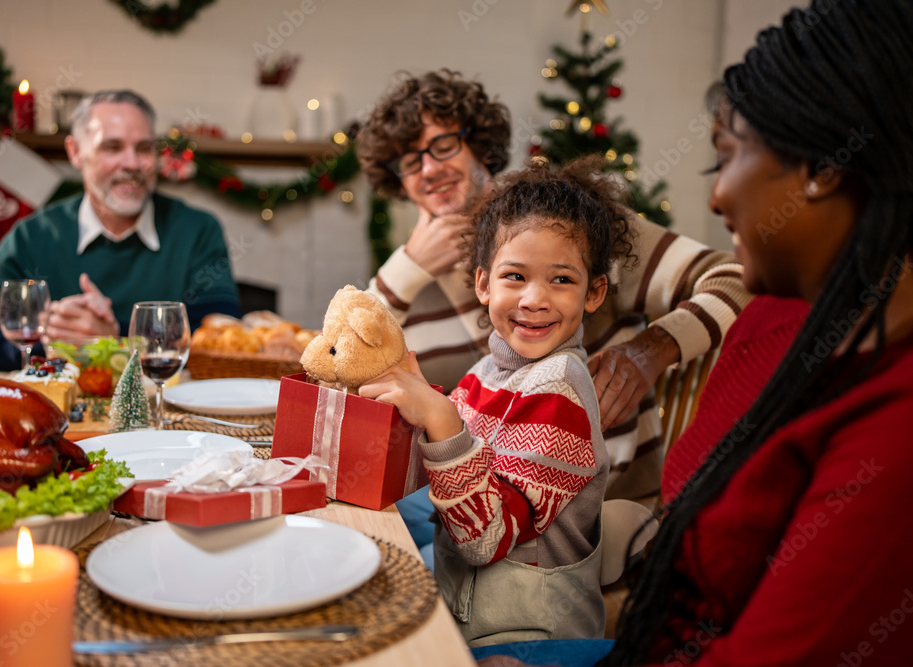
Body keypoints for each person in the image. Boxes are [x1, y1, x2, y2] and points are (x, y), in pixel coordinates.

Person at [479, 1, 913, 665]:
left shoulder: (891, 423)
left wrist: (652, 346)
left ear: (825, 168)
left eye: (728, 157)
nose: (715, 199)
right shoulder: (777, 315)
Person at [357, 69, 751, 506]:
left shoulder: (578, 226)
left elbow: (737, 280)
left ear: (480, 146)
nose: (429, 168)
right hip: (470, 503)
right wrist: (407, 269)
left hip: (595, 516)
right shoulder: (404, 282)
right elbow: (345, 369)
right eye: (410, 161)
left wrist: (651, 350)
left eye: (443, 145)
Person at [361, 157, 633, 646]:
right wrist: (417, 414)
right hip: (468, 615)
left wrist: (441, 419)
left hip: (528, 637)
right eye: (515, 277)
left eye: (562, 280)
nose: (534, 298)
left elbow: (485, 538)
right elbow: (452, 472)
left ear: (594, 293)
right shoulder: (488, 372)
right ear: (483, 284)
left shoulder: (560, 389)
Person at [0, 90, 240, 371]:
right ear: (75, 152)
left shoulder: (198, 231)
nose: (132, 163)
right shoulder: (33, 236)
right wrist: (55, 343)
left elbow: (228, 348)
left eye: (144, 148)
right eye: (112, 147)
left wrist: (113, 339)